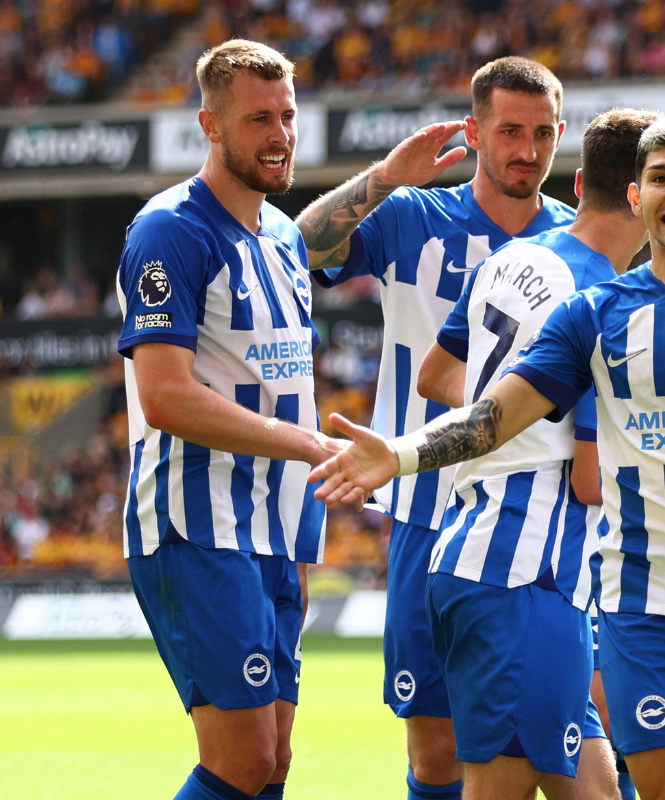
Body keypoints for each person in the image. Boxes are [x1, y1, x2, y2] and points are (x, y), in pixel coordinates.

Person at [309, 110, 665, 800]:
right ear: (636, 195)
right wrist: (399, 455)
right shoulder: (592, 312)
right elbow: (494, 413)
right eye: (661, 178)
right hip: (638, 600)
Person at [295, 57, 576, 800]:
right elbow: (301, 252)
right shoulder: (416, 216)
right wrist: (386, 176)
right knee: (436, 749)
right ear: (474, 132)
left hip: (545, 522)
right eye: (510, 131)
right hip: (428, 511)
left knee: (572, 744)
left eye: (543, 133)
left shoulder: (581, 246)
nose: (527, 150)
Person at [116, 40, 346, 800]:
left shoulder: (281, 237)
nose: (280, 134)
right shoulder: (169, 231)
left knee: (273, 760)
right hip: (198, 525)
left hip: (279, 528)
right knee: (241, 760)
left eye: (287, 115)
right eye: (258, 119)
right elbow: (166, 396)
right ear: (210, 126)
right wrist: (308, 445)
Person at [413, 107, 659, 800]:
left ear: (580, 184)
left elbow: (436, 376)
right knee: (500, 789)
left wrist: (528, 411)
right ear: (645, 196)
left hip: (483, 554)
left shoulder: (512, 258)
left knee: (596, 789)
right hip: (526, 572)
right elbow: (589, 480)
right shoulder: (602, 302)